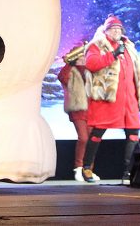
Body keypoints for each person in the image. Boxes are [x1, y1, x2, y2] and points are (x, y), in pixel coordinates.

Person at [80, 15, 140, 185]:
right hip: (108, 98)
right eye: (113, 29)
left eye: (119, 29)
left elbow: (135, 72)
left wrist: (137, 96)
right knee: (98, 131)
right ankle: (87, 168)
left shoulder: (128, 46)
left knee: (133, 133)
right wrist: (113, 54)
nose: (117, 31)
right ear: (106, 30)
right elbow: (92, 64)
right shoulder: (97, 45)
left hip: (128, 99)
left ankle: (128, 173)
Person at [57, 42, 99, 182]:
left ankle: (89, 170)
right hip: (78, 109)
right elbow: (62, 77)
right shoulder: (70, 70)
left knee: (92, 140)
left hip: (92, 110)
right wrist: (69, 63)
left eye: (83, 56)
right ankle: (78, 167)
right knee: (83, 138)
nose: (82, 59)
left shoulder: (91, 70)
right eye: (79, 57)